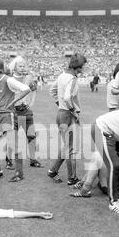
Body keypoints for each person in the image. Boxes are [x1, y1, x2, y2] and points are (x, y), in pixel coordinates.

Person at [0, 58, 31, 178]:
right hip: (0, 115)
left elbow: (26, 89)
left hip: (8, 115)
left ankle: (19, 173)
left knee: (14, 145)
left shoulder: (8, 80)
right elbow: (0, 96)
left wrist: (14, 101)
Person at [47, 53, 87, 185]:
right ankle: (72, 178)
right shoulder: (72, 79)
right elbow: (67, 97)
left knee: (67, 147)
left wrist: (60, 105)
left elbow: (52, 91)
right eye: (83, 66)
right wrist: (73, 111)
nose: (84, 68)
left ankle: (53, 171)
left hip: (61, 114)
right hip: (68, 115)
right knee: (71, 149)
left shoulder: (62, 75)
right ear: (79, 66)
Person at [8, 56, 43, 182]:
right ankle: (10, 161)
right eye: (20, 66)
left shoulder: (28, 78)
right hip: (15, 113)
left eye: (24, 66)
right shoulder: (10, 79)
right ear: (14, 67)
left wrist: (32, 102)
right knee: (14, 139)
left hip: (27, 111)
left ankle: (33, 160)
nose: (23, 68)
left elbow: (34, 89)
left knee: (32, 136)